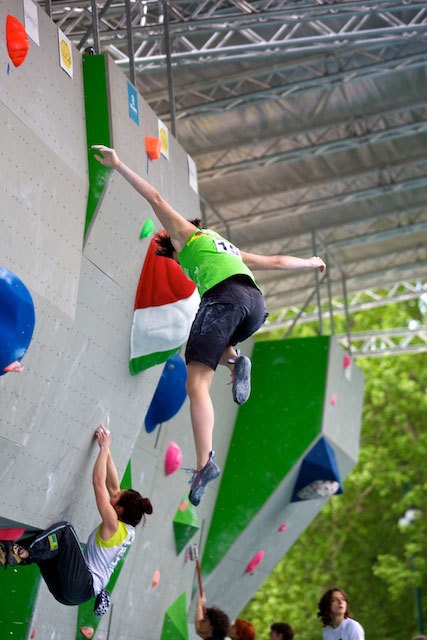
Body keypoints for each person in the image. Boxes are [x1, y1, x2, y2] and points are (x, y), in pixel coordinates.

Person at [92, 145, 326, 507]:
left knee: (196, 383)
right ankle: (234, 360)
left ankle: (204, 463)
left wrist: (119, 163)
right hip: (254, 307)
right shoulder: (228, 247)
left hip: (225, 301)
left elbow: (153, 196)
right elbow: (277, 260)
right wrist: (311, 263)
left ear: (174, 242)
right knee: (213, 337)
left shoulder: (185, 235)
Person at [0, 424, 153, 613]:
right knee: (49, 547)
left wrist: (104, 448)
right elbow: (114, 487)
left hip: (82, 583)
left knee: (65, 531)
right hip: (71, 595)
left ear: (119, 510)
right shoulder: (128, 528)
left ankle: (21, 553)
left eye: (116, 498)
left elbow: (99, 482)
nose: (113, 493)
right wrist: (106, 449)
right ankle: (11, 554)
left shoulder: (113, 524)